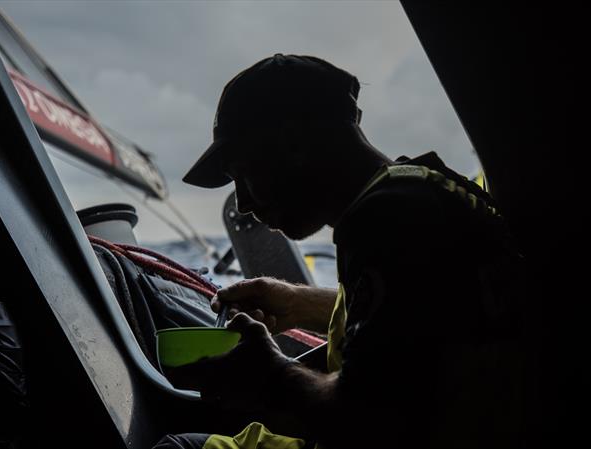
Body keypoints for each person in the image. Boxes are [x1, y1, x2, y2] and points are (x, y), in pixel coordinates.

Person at [154, 54, 519, 449]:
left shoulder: (386, 217)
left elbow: (368, 421)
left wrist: (269, 373)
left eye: (244, 174)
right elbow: (417, 316)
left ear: (294, 146)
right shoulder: (423, 188)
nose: (242, 203)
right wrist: (298, 304)